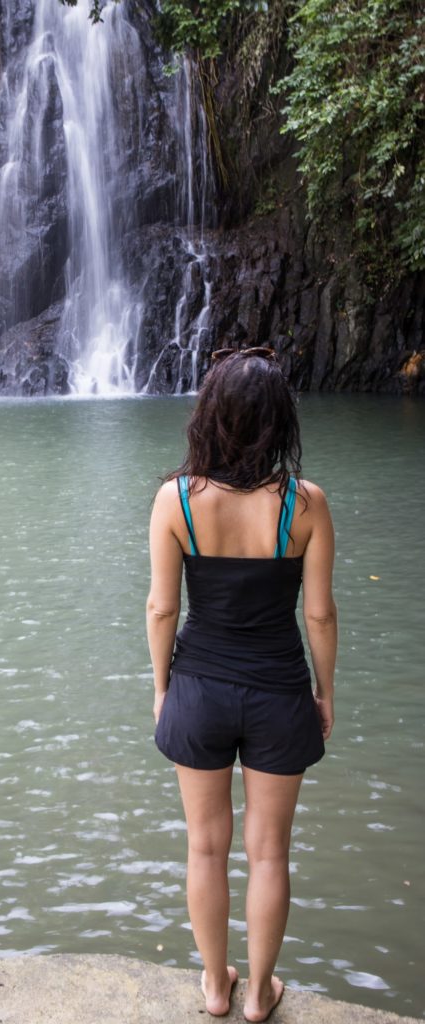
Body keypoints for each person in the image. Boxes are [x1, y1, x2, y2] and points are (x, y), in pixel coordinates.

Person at [146, 347, 336, 1022]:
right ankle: (259, 993)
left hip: (197, 688)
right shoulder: (305, 505)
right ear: (280, 421)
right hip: (281, 692)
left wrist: (164, 689)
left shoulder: (178, 500)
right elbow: (318, 612)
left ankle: (214, 986)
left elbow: (162, 608)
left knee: (204, 845)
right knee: (269, 853)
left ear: (210, 417)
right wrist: (326, 692)